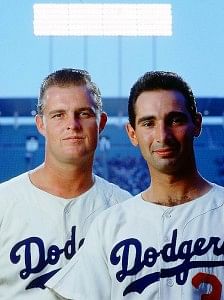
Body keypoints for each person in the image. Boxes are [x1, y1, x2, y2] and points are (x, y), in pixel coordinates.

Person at [46, 71, 224, 300]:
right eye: (148, 123)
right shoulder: (110, 225)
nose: (162, 135)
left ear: (197, 124)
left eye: (175, 120)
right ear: (132, 133)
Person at [0, 68, 131, 299]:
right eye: (58, 115)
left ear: (100, 122)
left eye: (84, 114)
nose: (72, 124)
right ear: (41, 124)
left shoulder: (125, 210)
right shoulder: (4, 202)